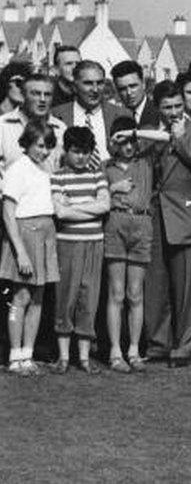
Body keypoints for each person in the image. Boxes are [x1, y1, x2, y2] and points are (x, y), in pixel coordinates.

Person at [142, 80, 191, 367]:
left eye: (178, 106)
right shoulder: (149, 133)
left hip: (187, 215)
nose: (174, 112)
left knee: (187, 286)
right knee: (155, 285)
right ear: (157, 107)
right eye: (167, 107)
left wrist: (180, 139)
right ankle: (158, 344)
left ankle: (183, 347)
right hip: (154, 216)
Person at [50, 127, 110, 374]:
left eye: (86, 152)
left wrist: (74, 207)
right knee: (66, 297)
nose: (81, 157)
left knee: (89, 297)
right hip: (67, 244)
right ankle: (64, 357)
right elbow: (60, 212)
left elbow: (105, 205)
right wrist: (90, 206)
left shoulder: (98, 175)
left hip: (94, 243)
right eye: (76, 152)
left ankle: (84, 358)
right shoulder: (57, 177)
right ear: (66, 151)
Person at [1, 122, 59, 376]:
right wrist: (21, 251)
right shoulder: (17, 169)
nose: (44, 151)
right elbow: (8, 213)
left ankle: (27, 354)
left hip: (46, 232)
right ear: (27, 143)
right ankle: (15, 357)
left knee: (37, 298)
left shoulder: (44, 168)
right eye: (40, 146)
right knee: (21, 297)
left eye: (48, 146)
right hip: (25, 235)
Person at [103, 117, 155, 373]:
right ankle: (115, 350)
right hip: (115, 224)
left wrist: (133, 130)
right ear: (113, 142)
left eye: (131, 140)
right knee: (117, 293)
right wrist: (114, 187)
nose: (128, 146)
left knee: (136, 293)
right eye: (121, 140)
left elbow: (168, 137)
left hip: (142, 224)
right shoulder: (106, 166)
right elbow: (94, 194)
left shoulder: (145, 162)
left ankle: (134, 349)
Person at [51, 60, 128, 168]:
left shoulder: (121, 114)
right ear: (74, 85)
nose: (95, 90)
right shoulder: (57, 115)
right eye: (88, 83)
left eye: (100, 83)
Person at [0, 73, 67, 171]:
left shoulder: (60, 128)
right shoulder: (2, 126)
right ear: (23, 96)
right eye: (36, 94)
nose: (42, 99)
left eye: (47, 95)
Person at [111, 60, 162, 127]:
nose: (129, 93)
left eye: (133, 86)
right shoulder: (115, 118)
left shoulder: (160, 113)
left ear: (143, 84)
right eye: (123, 89)